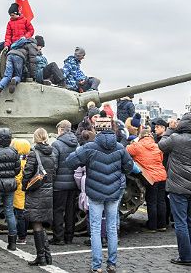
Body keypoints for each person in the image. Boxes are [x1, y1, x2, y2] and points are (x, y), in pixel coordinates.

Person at [66, 113, 133, 273]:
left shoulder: (89, 147)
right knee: (111, 227)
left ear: (97, 128)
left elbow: (70, 161)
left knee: (95, 228)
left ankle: (96, 267)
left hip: (95, 192)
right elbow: (129, 167)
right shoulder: (120, 148)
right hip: (114, 192)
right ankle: (112, 264)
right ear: (111, 128)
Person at [158, 112, 191, 266]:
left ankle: (185, 257)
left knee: (181, 222)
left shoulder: (175, 139)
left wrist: (170, 129)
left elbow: (161, 145)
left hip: (177, 186)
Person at [23, 128, 56, 266]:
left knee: (36, 223)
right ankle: (47, 256)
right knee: (41, 223)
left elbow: (27, 173)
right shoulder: (52, 153)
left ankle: (41, 257)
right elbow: (53, 172)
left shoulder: (33, 153)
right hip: (48, 191)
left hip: (36, 192)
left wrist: (25, 186)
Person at [126, 122, 168, 232]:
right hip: (162, 175)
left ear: (140, 136)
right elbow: (161, 158)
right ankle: (162, 225)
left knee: (152, 201)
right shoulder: (157, 146)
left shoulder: (137, 146)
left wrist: (134, 141)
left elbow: (126, 150)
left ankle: (152, 226)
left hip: (150, 177)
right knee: (161, 200)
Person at [51, 120, 79, 245]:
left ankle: (58, 237)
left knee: (57, 210)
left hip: (59, 184)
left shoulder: (56, 144)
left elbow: (53, 165)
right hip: (73, 182)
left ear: (61, 130)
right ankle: (69, 236)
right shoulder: (76, 143)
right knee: (70, 210)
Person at [0, 37, 40, 102]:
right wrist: (33, 75)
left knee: (7, 75)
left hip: (10, 55)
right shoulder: (32, 45)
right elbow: (32, 61)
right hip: (19, 57)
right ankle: (15, 80)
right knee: (18, 75)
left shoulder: (20, 42)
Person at [11, 139, 31, 245]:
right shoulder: (28, 161)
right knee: (24, 216)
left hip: (19, 193)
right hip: (27, 192)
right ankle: (24, 235)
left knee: (20, 216)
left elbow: (18, 178)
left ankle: (21, 237)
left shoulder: (20, 163)